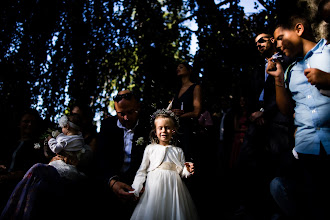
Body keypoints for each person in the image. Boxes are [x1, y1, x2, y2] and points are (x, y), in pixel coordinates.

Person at [267, 15, 330, 219]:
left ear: (299, 29)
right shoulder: (291, 70)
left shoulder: (328, 52)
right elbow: (286, 109)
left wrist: (327, 79)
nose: (276, 45)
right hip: (306, 148)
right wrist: (278, 78)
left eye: (279, 38)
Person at [232, 32, 294, 219]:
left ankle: (278, 210)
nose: (258, 44)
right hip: (256, 122)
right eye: (256, 43)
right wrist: (254, 114)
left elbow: (286, 92)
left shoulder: (286, 60)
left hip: (277, 122)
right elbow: (252, 94)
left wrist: (265, 112)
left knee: (276, 165)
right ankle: (248, 207)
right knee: (246, 162)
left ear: (272, 41)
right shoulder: (257, 68)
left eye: (262, 40)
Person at [130, 109, 198, 220]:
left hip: (174, 188)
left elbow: (181, 172)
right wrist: (136, 188)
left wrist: (188, 170)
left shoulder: (178, 151)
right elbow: (142, 170)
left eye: (167, 128)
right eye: (160, 128)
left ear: (173, 130)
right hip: (154, 187)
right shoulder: (150, 149)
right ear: (155, 131)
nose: (164, 131)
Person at [94, 89, 150, 219]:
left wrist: (145, 184)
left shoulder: (148, 125)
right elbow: (101, 159)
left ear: (138, 107)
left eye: (130, 112)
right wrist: (112, 183)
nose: (126, 118)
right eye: (121, 114)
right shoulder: (107, 125)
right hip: (113, 181)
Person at [0, 109, 47, 211]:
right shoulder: (11, 143)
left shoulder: (37, 146)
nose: (29, 125)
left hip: (20, 190)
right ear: (19, 124)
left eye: (32, 122)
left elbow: (34, 169)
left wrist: (10, 176)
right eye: (26, 121)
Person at [170, 62, 202, 161]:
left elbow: (196, 112)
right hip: (175, 131)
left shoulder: (195, 87)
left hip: (188, 130)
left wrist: (181, 116)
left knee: (186, 159)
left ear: (189, 71)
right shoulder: (177, 90)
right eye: (177, 68)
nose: (178, 69)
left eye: (181, 67)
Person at [47, 113, 89, 180]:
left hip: (61, 166)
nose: (62, 130)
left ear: (67, 126)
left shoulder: (64, 140)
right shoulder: (79, 139)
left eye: (63, 127)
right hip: (73, 168)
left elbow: (55, 149)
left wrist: (50, 140)